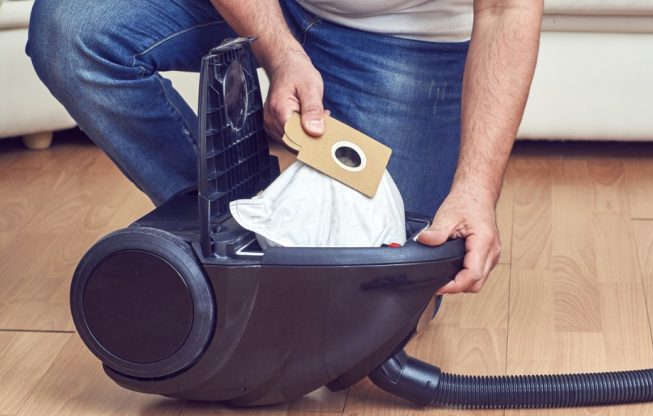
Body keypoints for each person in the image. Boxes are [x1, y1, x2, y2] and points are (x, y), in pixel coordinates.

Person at [27, 0, 543, 294]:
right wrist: (282, 55)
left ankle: (267, 246)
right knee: (74, 31)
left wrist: (476, 189)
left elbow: (508, 8)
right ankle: (235, 237)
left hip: (402, 33)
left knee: (386, 298)